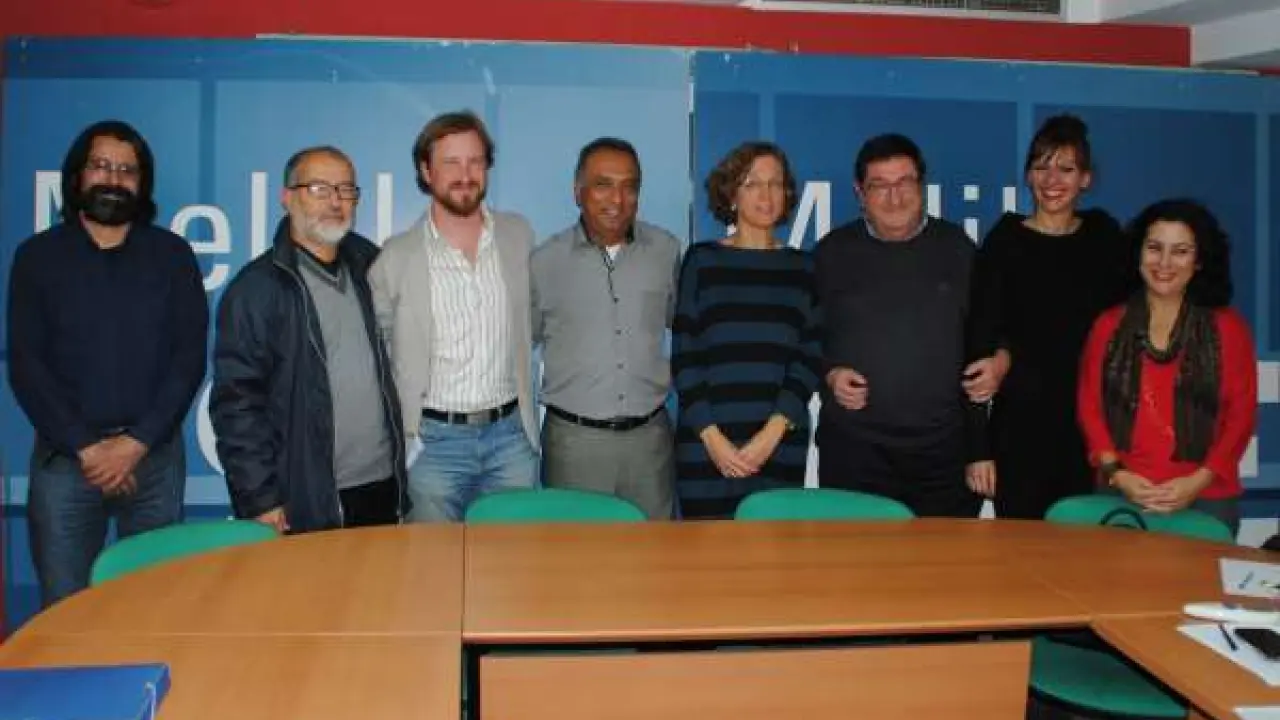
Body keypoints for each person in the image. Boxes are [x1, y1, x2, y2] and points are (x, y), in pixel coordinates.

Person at [8, 120, 207, 606]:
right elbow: (27, 365)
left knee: (155, 605)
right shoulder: (37, 257)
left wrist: (135, 443)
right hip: (68, 465)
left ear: (142, 184)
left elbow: (187, 359)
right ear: (77, 175)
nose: (114, 180)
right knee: (67, 610)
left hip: (153, 461)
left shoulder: (172, 255)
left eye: (127, 170)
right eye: (101, 166)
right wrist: (89, 449)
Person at [212, 146, 408, 533]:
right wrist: (260, 498)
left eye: (346, 189)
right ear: (287, 197)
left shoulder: (371, 267)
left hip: (381, 484)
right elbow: (237, 403)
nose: (335, 202)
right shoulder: (256, 289)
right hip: (307, 495)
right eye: (319, 189)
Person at [370, 111, 539, 522]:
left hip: (511, 440)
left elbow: (534, 323)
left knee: (513, 558)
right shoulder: (395, 257)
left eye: (475, 161)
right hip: (432, 447)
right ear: (426, 171)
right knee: (433, 560)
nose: (465, 175)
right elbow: (380, 353)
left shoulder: (519, 236)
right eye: (451, 163)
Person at [814, 133, 989, 518]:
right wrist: (830, 374)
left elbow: (983, 343)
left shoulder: (958, 249)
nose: (894, 197)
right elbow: (804, 341)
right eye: (880, 185)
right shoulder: (831, 253)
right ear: (860, 192)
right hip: (855, 454)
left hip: (943, 458)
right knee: (854, 558)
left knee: (942, 559)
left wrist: (1001, 358)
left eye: (904, 182)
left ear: (921, 185)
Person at [966, 115, 1130, 519]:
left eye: (1066, 169)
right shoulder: (1005, 241)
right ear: (1027, 175)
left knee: (1086, 548)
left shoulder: (1104, 238)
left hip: (1092, 435)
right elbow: (977, 347)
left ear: (1085, 179)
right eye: (1041, 167)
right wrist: (979, 450)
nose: (1052, 180)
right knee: (1021, 552)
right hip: (1019, 432)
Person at [1078, 198, 1255, 537]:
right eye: (1154, 248)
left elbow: (1241, 416)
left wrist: (1197, 482)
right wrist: (1117, 473)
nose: (1164, 262)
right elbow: (1090, 405)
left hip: (1206, 495)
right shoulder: (1108, 324)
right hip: (1121, 489)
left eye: (1180, 251)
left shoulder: (1229, 328)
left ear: (1199, 260)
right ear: (1138, 253)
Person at [531, 137, 681, 519]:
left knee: (653, 551)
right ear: (577, 191)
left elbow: (681, 326)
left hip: (650, 445)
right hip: (574, 446)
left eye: (630, 187)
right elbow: (523, 342)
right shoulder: (544, 261)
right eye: (603, 185)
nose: (617, 199)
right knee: (577, 553)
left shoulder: (665, 251)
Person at [672, 141, 820, 519]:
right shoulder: (702, 261)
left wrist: (770, 437)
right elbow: (685, 355)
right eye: (752, 184)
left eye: (776, 183)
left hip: (779, 446)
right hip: (706, 449)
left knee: (773, 552)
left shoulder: (805, 268)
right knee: (705, 553)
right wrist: (713, 440)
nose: (766, 195)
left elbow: (809, 358)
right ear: (731, 194)